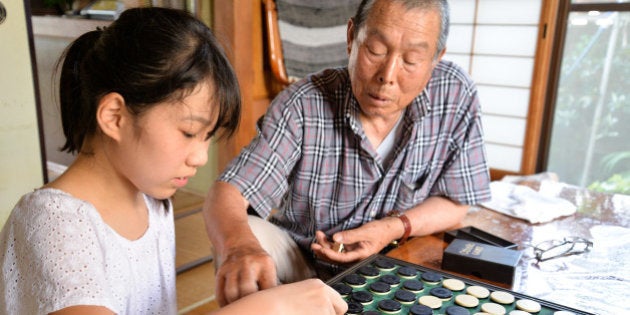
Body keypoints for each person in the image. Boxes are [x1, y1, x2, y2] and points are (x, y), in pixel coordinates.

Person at [0, 7, 346, 315]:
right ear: (115, 117)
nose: (200, 157)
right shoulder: (51, 223)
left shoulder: (152, 202)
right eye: (189, 132)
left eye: (208, 137)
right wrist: (267, 307)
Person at [203, 0, 492, 307]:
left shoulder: (454, 92)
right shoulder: (302, 105)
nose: (388, 75)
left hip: (398, 263)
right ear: (352, 36)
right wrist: (239, 247)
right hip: (305, 265)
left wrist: (391, 229)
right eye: (376, 50)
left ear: (436, 59)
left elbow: (459, 202)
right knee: (249, 237)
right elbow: (228, 193)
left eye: (411, 59)